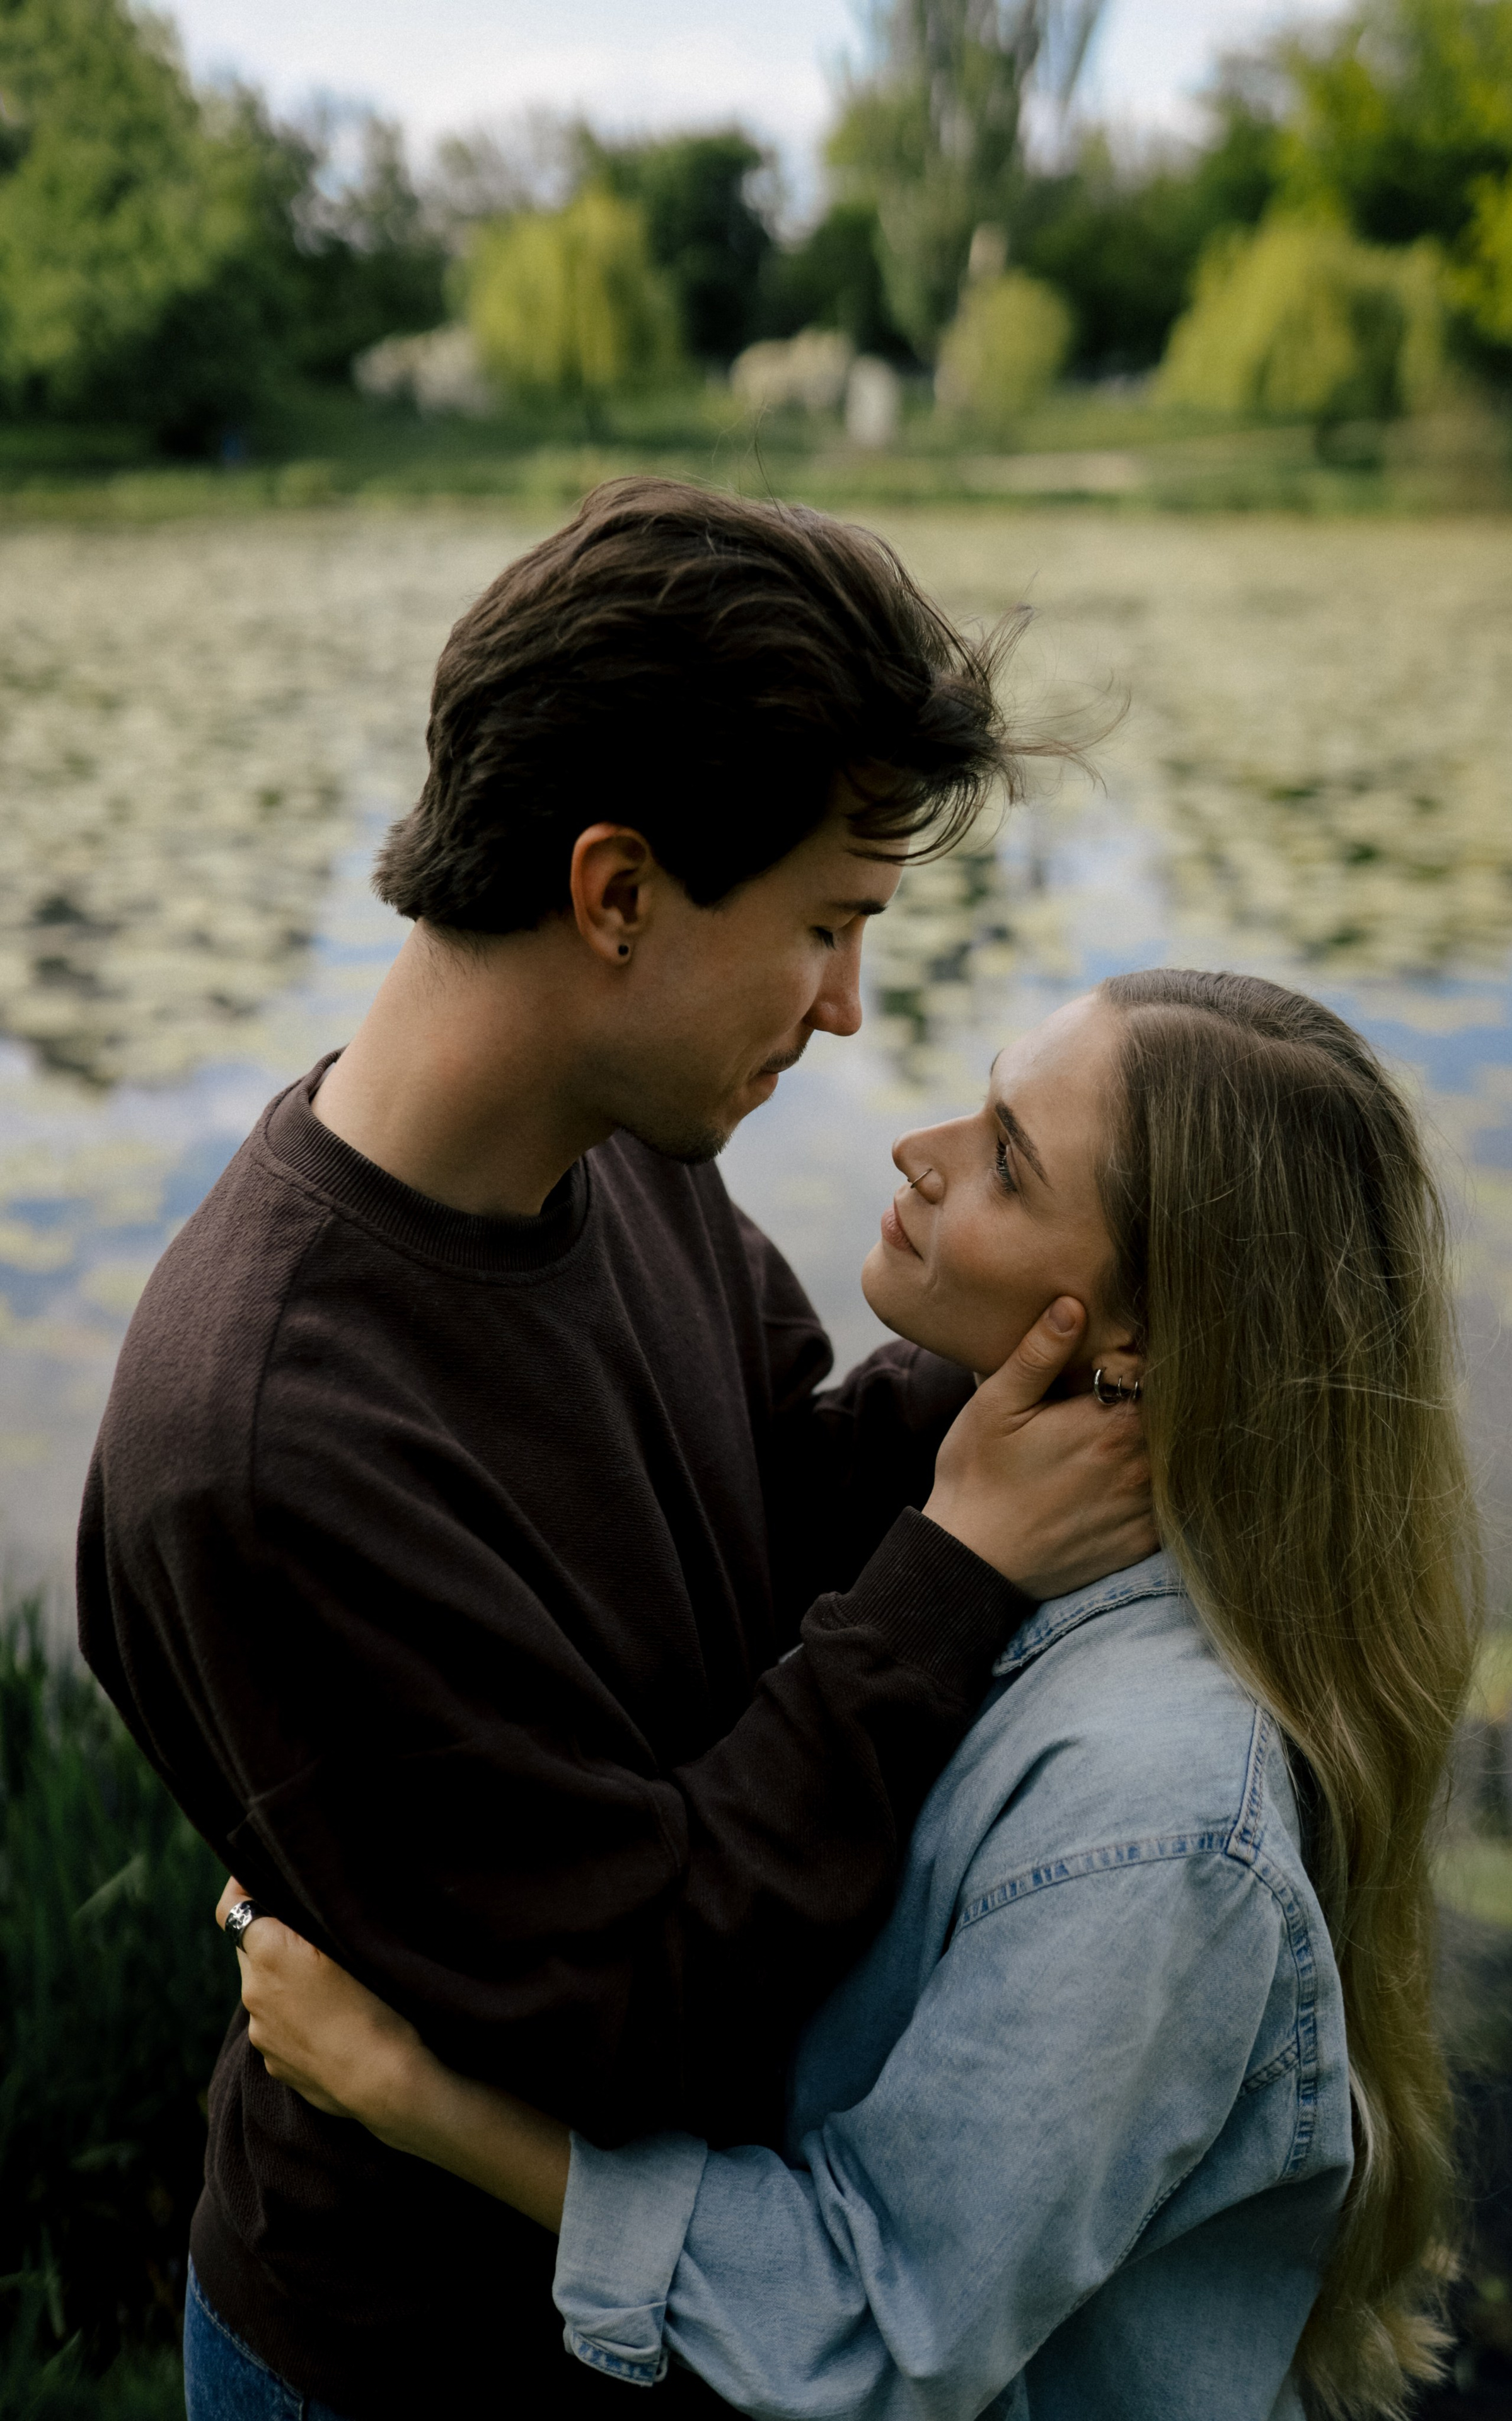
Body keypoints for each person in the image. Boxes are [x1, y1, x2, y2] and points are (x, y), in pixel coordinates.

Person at [77, 479, 1154, 2420]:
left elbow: (772, 1526)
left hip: (636, 2313)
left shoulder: (612, 1162)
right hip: (413, 2360)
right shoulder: (267, 1448)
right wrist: (965, 1565)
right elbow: (639, 1995)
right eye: (826, 927)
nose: (846, 1010)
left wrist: (1055, 1344)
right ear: (618, 892)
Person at [222, 969, 1482, 2421]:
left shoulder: (1159, 1818)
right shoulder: (994, 1526)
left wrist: (414, 2097)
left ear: (1129, 1343)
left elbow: (875, 2325)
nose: (918, 1150)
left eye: (1004, 1160)